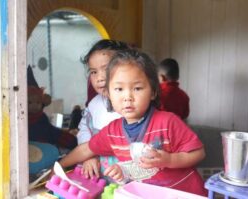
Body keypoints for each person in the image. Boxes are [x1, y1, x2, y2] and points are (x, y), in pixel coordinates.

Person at [58, 49, 207, 196]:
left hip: (186, 193)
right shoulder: (112, 132)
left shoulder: (168, 122)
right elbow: (86, 149)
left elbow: (198, 153)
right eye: (119, 89)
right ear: (109, 94)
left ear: (153, 92)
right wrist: (59, 166)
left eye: (137, 88)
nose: (127, 96)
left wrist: (170, 159)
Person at [77, 39, 130, 178]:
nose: (99, 78)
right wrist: (88, 157)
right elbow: (84, 129)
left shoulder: (132, 103)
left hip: (128, 173)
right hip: (99, 172)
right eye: (93, 72)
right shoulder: (94, 104)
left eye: (106, 69)